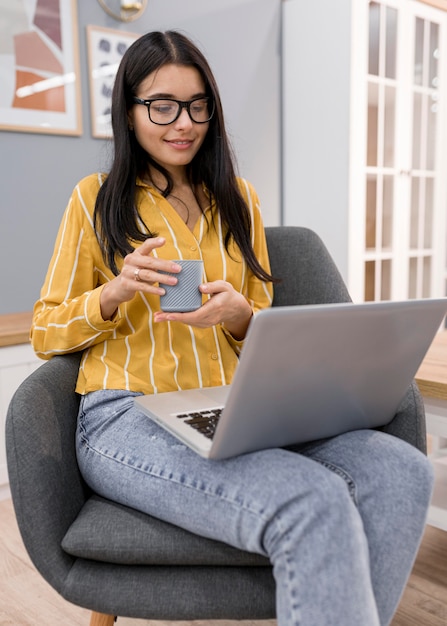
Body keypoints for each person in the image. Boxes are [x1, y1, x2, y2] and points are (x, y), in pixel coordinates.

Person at [31, 30, 433, 626]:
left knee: (404, 470)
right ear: (130, 110)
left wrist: (241, 315)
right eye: (161, 106)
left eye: (197, 106)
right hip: (127, 415)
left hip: (233, 407)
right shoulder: (95, 199)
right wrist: (113, 292)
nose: (183, 123)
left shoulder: (239, 199)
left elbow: (263, 315)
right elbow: (44, 330)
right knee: (310, 500)